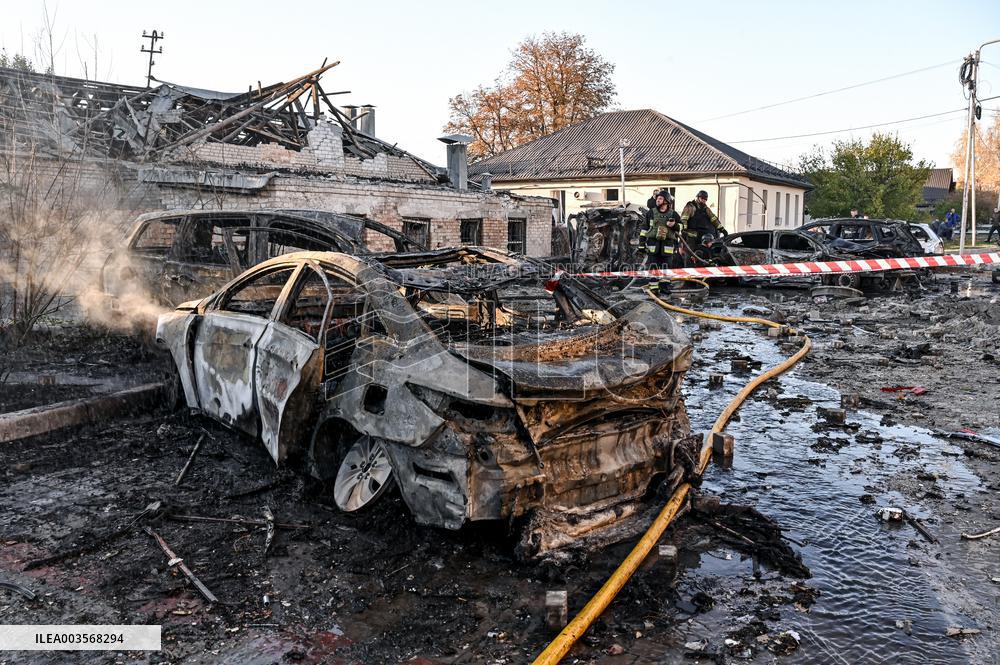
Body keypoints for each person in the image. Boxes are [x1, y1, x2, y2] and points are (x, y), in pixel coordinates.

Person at [639, 191, 683, 272]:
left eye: (660, 198)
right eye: (657, 199)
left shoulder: (673, 214)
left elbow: (681, 226)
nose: (657, 200)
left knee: (666, 275)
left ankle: (664, 284)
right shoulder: (651, 213)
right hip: (653, 250)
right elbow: (644, 229)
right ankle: (654, 284)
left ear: (666, 201)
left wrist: (674, 225)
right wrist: (641, 243)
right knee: (653, 274)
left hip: (667, 250)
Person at [680, 190, 727, 266]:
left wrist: (722, 229)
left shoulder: (706, 209)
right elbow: (684, 219)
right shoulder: (690, 207)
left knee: (704, 255)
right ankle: (689, 271)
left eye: (705, 199)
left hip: (702, 237)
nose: (703, 201)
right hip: (691, 235)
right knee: (690, 254)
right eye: (702, 198)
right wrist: (684, 229)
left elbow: (714, 219)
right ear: (698, 198)